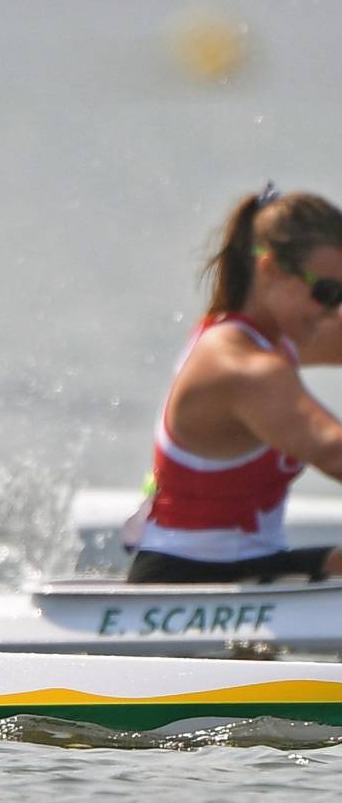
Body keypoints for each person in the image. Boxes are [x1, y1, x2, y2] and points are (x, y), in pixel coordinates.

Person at [127, 184, 342, 584]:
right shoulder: (241, 367)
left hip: (254, 570)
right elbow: (334, 452)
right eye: (327, 292)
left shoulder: (278, 334)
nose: (334, 311)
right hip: (184, 584)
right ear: (271, 270)